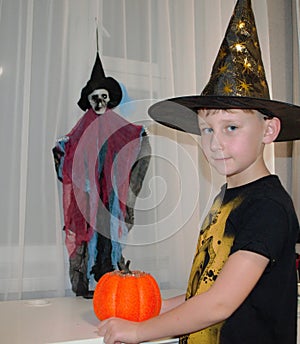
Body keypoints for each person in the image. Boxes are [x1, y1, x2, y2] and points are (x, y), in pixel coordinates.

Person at [98, 0, 300, 343]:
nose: (215, 142)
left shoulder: (268, 207)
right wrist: (145, 310)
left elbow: (220, 303)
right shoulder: (229, 198)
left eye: (231, 128)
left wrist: (139, 331)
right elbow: (206, 290)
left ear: (268, 131)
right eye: (207, 129)